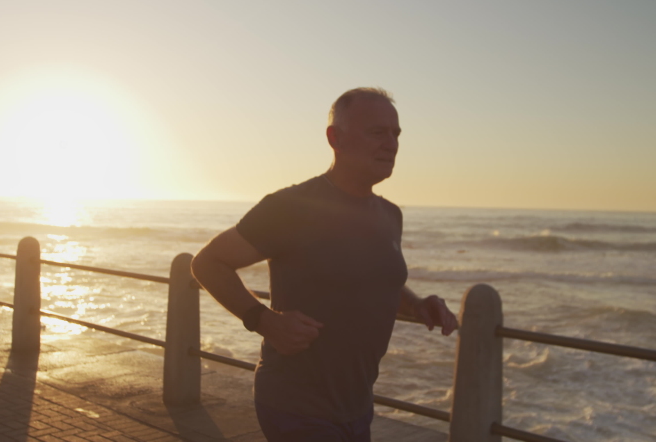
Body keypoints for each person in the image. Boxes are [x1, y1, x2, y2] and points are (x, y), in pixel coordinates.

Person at [190, 87, 459, 442]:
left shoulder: (390, 215)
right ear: (336, 138)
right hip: (295, 405)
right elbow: (208, 262)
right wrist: (264, 320)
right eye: (377, 132)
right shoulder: (291, 207)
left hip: (356, 406)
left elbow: (376, 281)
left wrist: (417, 304)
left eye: (396, 134)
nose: (391, 144)